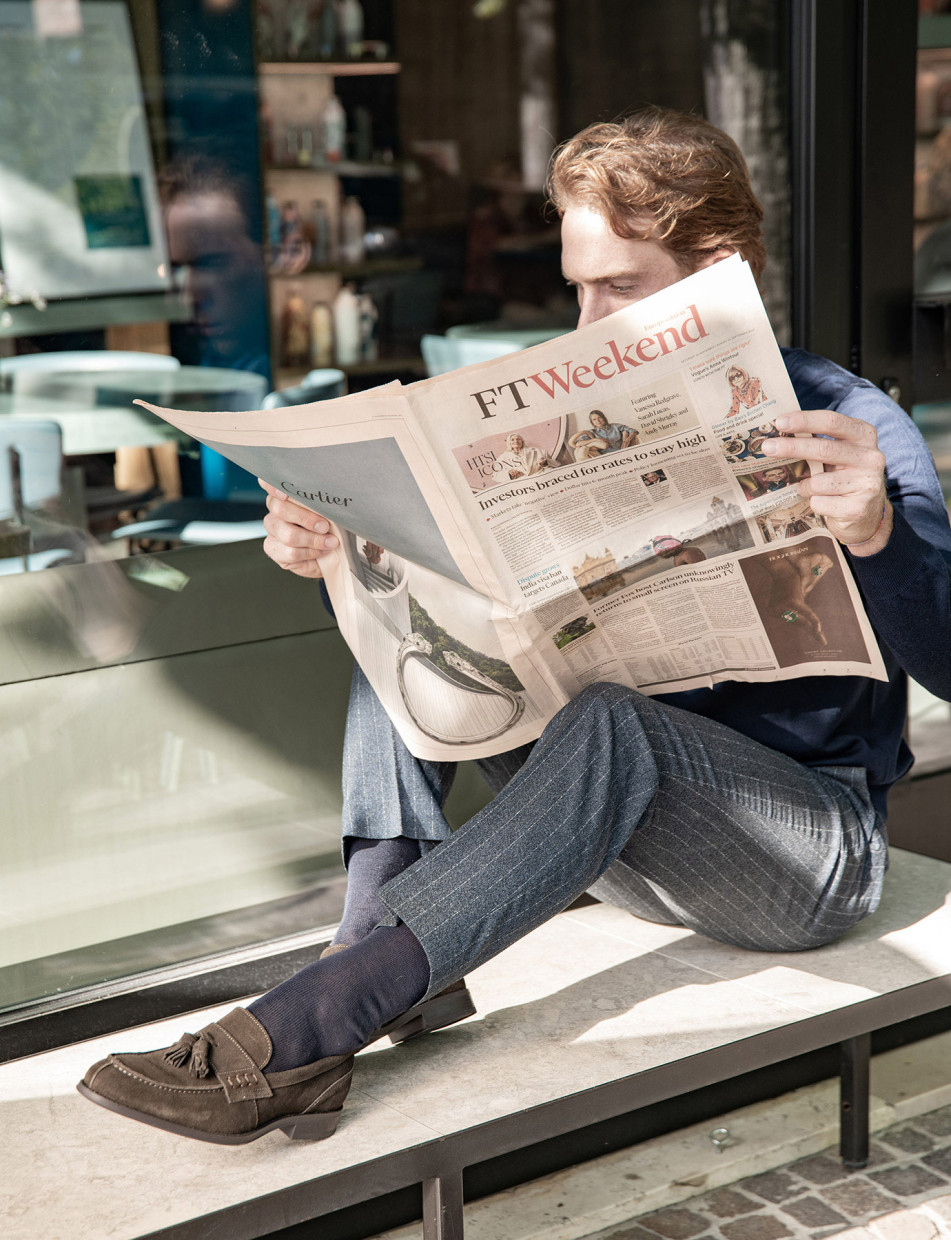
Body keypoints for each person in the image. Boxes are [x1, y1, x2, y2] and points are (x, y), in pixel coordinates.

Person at [78, 107, 951, 1147]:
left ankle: (326, 1010)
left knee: (617, 727)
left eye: (619, 288)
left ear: (721, 270)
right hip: (626, 834)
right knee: (407, 626)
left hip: (809, 854)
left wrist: (878, 531)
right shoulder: (567, 407)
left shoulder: (846, 422)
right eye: (577, 287)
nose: (585, 323)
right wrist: (343, 556)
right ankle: (379, 951)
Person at [569, 409, 638, 460]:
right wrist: (594, 439)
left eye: (599, 418)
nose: (598, 421)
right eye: (594, 419)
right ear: (592, 422)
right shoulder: (591, 432)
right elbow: (578, 443)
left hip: (622, 454)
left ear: (604, 418)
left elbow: (633, 431)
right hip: (605, 459)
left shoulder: (615, 426)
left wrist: (627, 440)